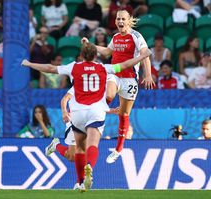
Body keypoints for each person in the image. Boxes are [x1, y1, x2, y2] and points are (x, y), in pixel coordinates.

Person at [21, 42, 151, 191]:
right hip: (96, 111)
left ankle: (81, 181)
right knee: (92, 145)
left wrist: (30, 63)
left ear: (82, 55)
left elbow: (50, 68)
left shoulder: (74, 67)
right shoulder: (103, 68)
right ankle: (89, 166)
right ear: (96, 56)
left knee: (79, 150)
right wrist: (143, 56)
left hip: (78, 113)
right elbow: (125, 65)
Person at [83, 10, 155, 164]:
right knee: (108, 96)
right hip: (115, 74)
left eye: (123, 19)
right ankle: (91, 123)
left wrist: (147, 75)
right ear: (115, 21)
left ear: (128, 21)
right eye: (118, 19)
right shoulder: (115, 37)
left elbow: (145, 54)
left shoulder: (136, 36)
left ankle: (119, 149)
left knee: (124, 115)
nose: (120, 21)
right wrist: (91, 45)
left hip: (130, 80)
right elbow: (108, 52)